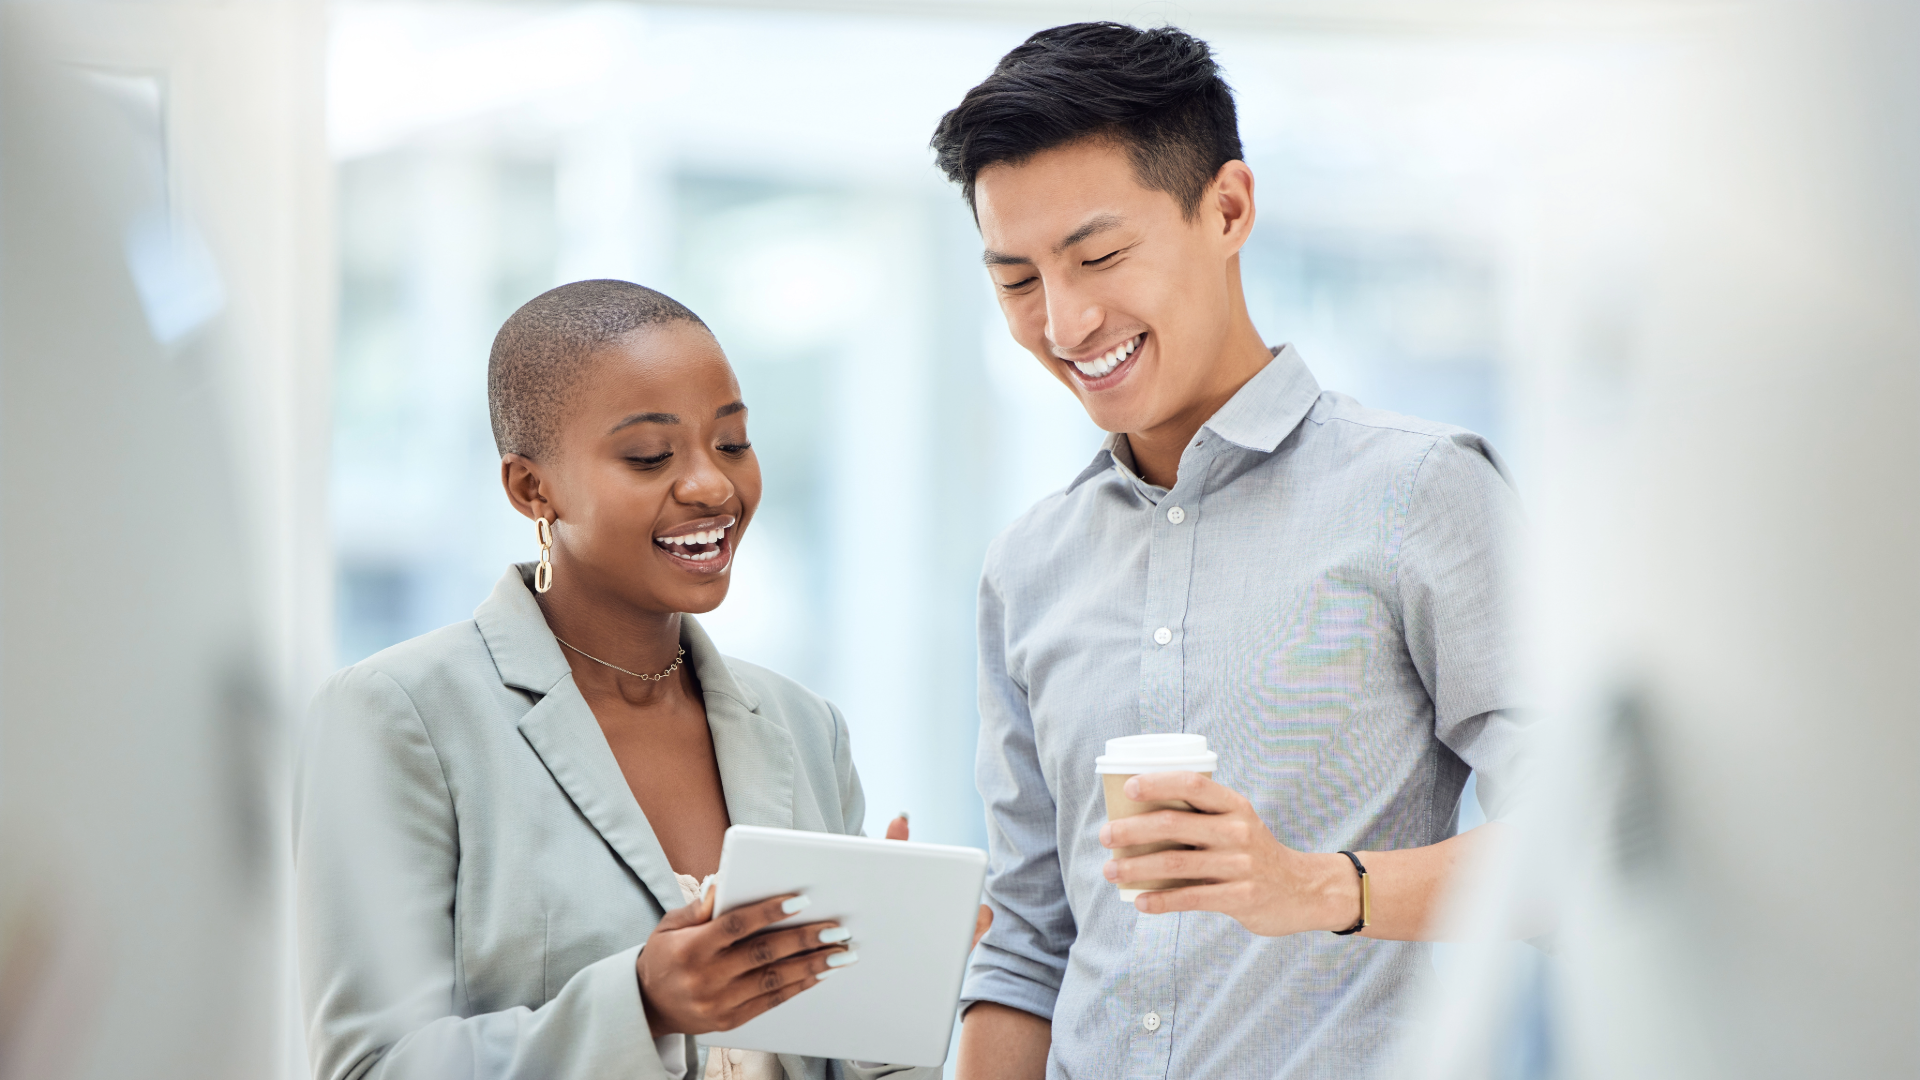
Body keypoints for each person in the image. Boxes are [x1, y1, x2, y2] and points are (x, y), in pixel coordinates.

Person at [929, 23, 1529, 1079]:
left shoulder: (1419, 493)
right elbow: (1027, 947)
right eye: (1017, 280)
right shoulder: (1029, 566)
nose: (1065, 322)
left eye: (1099, 256)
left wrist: (1314, 888)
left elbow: (1590, 850)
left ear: (1229, 208)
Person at [294, 281, 936, 1080]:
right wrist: (642, 1005)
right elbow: (372, 1067)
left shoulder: (806, 727)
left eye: (732, 443)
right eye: (649, 456)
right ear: (534, 488)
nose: (712, 486)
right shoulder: (397, 716)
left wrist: (898, 978)